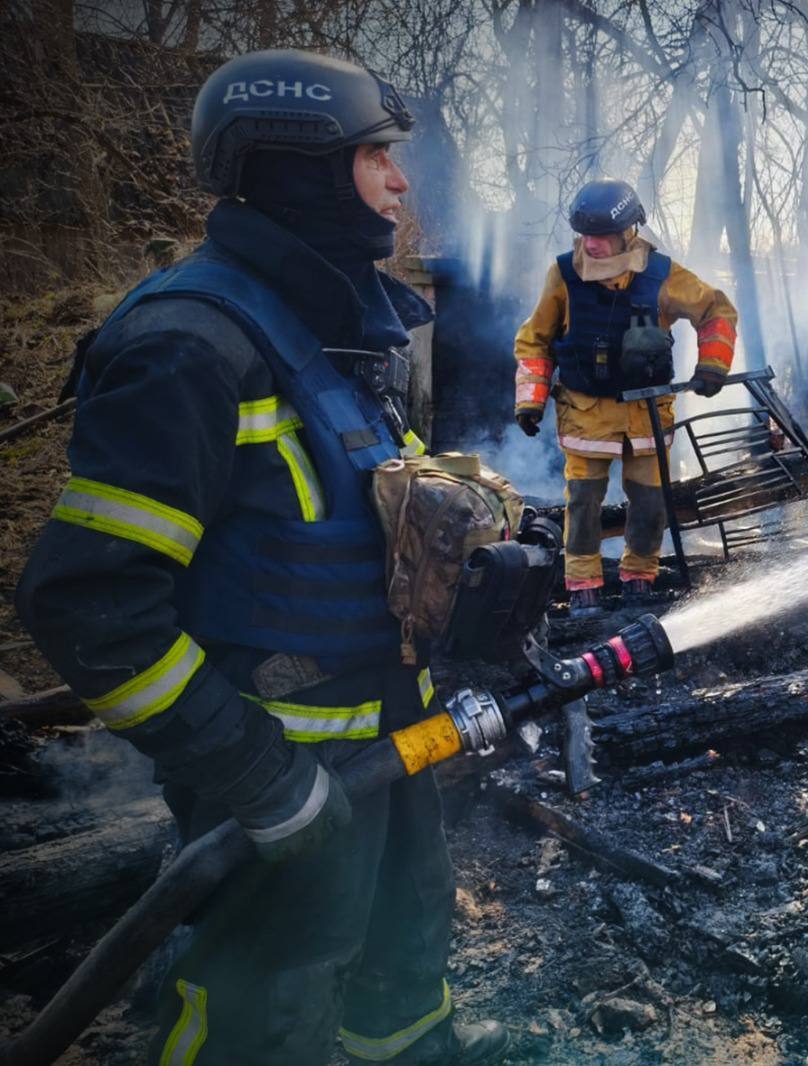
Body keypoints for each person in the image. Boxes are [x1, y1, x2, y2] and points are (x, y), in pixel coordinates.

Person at [14, 49, 509, 1066]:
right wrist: (261, 778)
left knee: (403, 976)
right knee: (256, 1012)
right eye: (376, 155)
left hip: (389, 743)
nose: (399, 181)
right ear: (303, 167)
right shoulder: (188, 343)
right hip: (279, 770)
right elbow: (92, 607)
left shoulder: (330, 329)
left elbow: (347, 501)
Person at [512, 179, 737, 615]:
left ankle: (639, 579)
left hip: (647, 413)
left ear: (628, 232)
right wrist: (530, 400)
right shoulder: (563, 274)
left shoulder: (663, 275)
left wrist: (713, 365)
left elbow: (717, 310)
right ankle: (582, 586)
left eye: (600, 236)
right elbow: (534, 340)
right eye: (584, 235)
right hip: (586, 413)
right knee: (582, 502)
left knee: (651, 502)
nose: (590, 245)